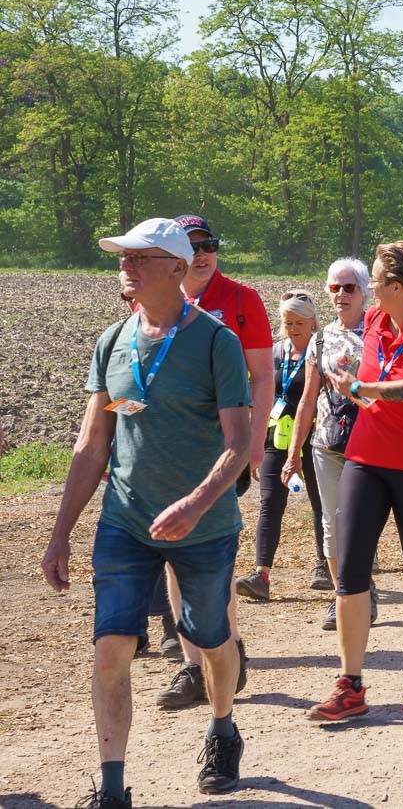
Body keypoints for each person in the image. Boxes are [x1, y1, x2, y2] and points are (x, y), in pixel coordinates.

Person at [44, 218, 253, 805]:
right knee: (111, 645)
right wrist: (61, 534)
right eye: (123, 255)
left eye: (140, 256)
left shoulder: (217, 342)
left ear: (176, 269)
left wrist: (195, 503)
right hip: (125, 522)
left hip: (205, 526)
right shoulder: (112, 341)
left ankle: (221, 726)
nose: (125, 265)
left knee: (211, 639)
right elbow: (91, 446)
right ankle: (113, 786)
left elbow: (240, 441)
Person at [307, 242, 403, 723]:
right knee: (350, 571)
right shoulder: (374, 320)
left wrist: (365, 389)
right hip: (366, 459)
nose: (370, 287)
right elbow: (365, 373)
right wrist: (346, 379)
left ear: (397, 286)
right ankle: (350, 684)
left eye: (374, 280)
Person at [155, 214, 270, 710]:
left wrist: (256, 440)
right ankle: (192, 665)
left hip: (224, 447)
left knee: (210, 554)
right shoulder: (160, 301)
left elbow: (262, 375)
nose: (203, 254)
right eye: (192, 245)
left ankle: (225, 643)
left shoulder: (243, 300)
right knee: (173, 555)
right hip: (168, 450)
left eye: (210, 245)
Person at [283, 259, 371, 631]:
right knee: (332, 523)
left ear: (365, 292)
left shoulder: (379, 335)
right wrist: (293, 455)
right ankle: (344, 595)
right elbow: (307, 399)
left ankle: (362, 588)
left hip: (371, 445)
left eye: (349, 288)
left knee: (361, 525)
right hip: (327, 442)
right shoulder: (320, 339)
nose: (340, 295)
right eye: (334, 288)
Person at [235, 291, 324, 602]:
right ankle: (261, 574)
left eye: (299, 322)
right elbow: (259, 395)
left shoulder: (322, 350)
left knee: (320, 504)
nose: (293, 328)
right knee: (270, 504)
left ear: (313, 322)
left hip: (316, 440)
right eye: (288, 322)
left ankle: (324, 564)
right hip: (277, 439)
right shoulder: (275, 353)